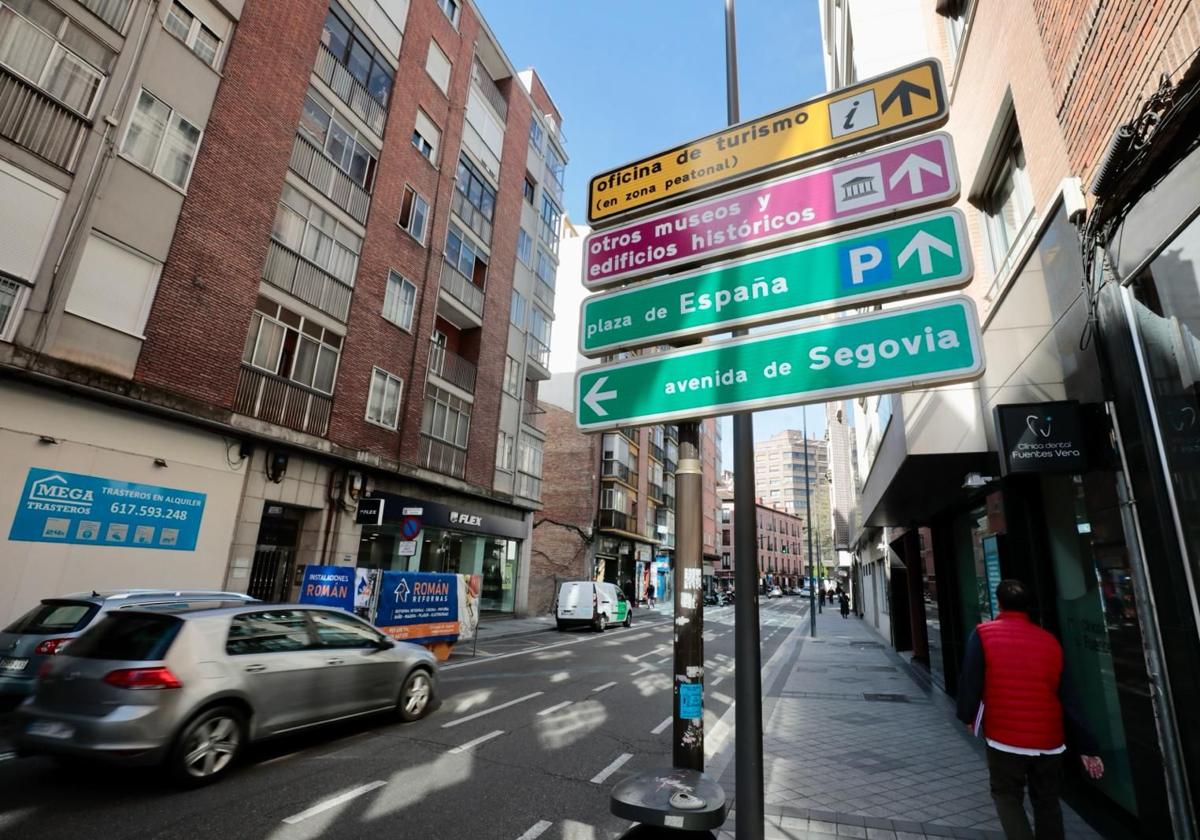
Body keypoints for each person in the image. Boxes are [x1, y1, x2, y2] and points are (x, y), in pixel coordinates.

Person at [956, 580, 1104, 840]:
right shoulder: (1049, 641)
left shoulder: (984, 634)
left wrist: (967, 717)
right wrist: (1087, 746)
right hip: (1049, 741)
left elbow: (971, 680)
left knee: (1006, 794)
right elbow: (1069, 698)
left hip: (1005, 739)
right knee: (1047, 801)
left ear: (999, 602)